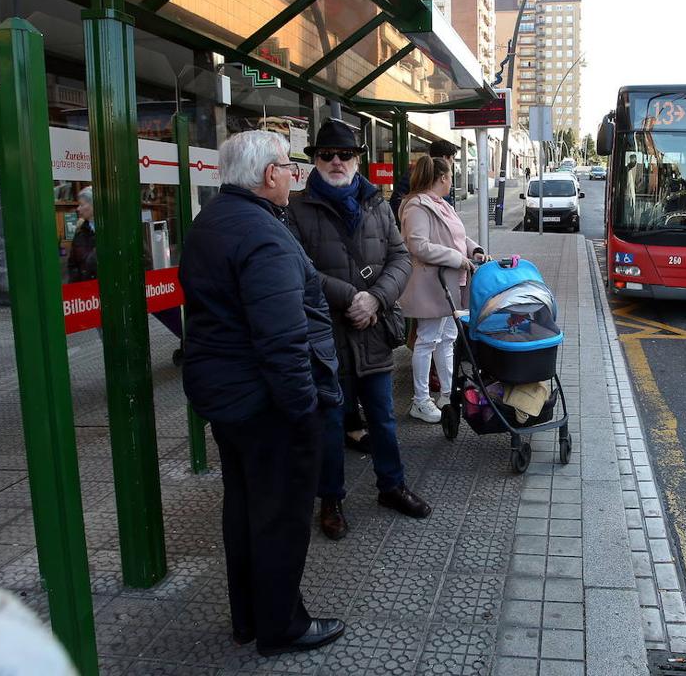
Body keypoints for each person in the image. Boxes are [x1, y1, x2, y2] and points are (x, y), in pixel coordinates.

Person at [179, 130, 344, 657]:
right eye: (287, 166)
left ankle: (248, 617)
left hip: (227, 396)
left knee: (246, 509)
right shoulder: (264, 235)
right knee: (278, 520)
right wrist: (302, 411)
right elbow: (282, 339)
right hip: (267, 402)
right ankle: (282, 627)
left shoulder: (213, 220)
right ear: (269, 175)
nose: (294, 175)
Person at [287, 119, 431, 542]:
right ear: (315, 159)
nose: (336, 162)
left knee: (384, 419)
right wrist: (352, 296)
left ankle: (392, 486)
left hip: (371, 331)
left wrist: (377, 299)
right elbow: (299, 270)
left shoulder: (377, 204)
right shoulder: (297, 209)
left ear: (357, 160)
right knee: (331, 423)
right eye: (327, 155)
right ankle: (330, 500)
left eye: (344, 155)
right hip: (326, 334)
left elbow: (401, 258)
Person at [398, 156, 485, 421]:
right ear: (443, 178)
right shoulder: (416, 205)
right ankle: (420, 401)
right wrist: (458, 258)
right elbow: (418, 245)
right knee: (427, 341)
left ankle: (448, 393)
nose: (452, 181)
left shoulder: (442, 205)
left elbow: (458, 236)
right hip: (430, 285)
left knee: (447, 339)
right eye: (450, 177)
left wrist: (474, 250)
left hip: (450, 283)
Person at [66, 187, 97, 282]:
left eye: (81, 205)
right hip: (86, 292)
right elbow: (72, 265)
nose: (78, 209)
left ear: (93, 205)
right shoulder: (80, 232)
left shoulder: (113, 230)